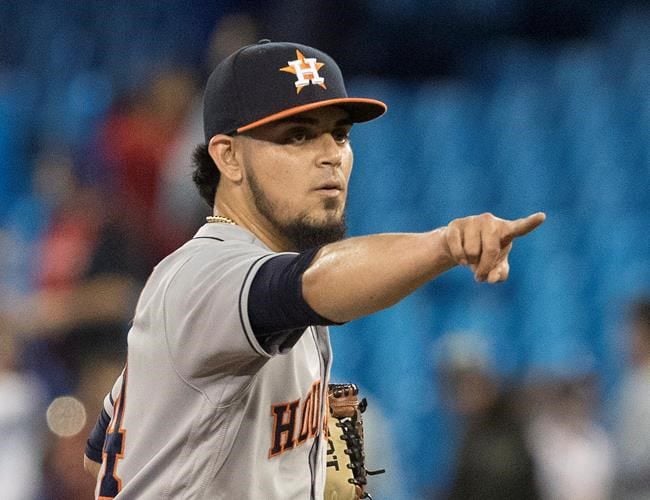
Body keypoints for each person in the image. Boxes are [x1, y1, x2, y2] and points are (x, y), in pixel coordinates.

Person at [83, 40, 546, 499]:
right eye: (298, 135)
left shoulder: (216, 290)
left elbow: (99, 450)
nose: (331, 155)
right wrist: (445, 245)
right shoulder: (207, 272)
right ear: (228, 157)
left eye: (340, 135)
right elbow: (310, 284)